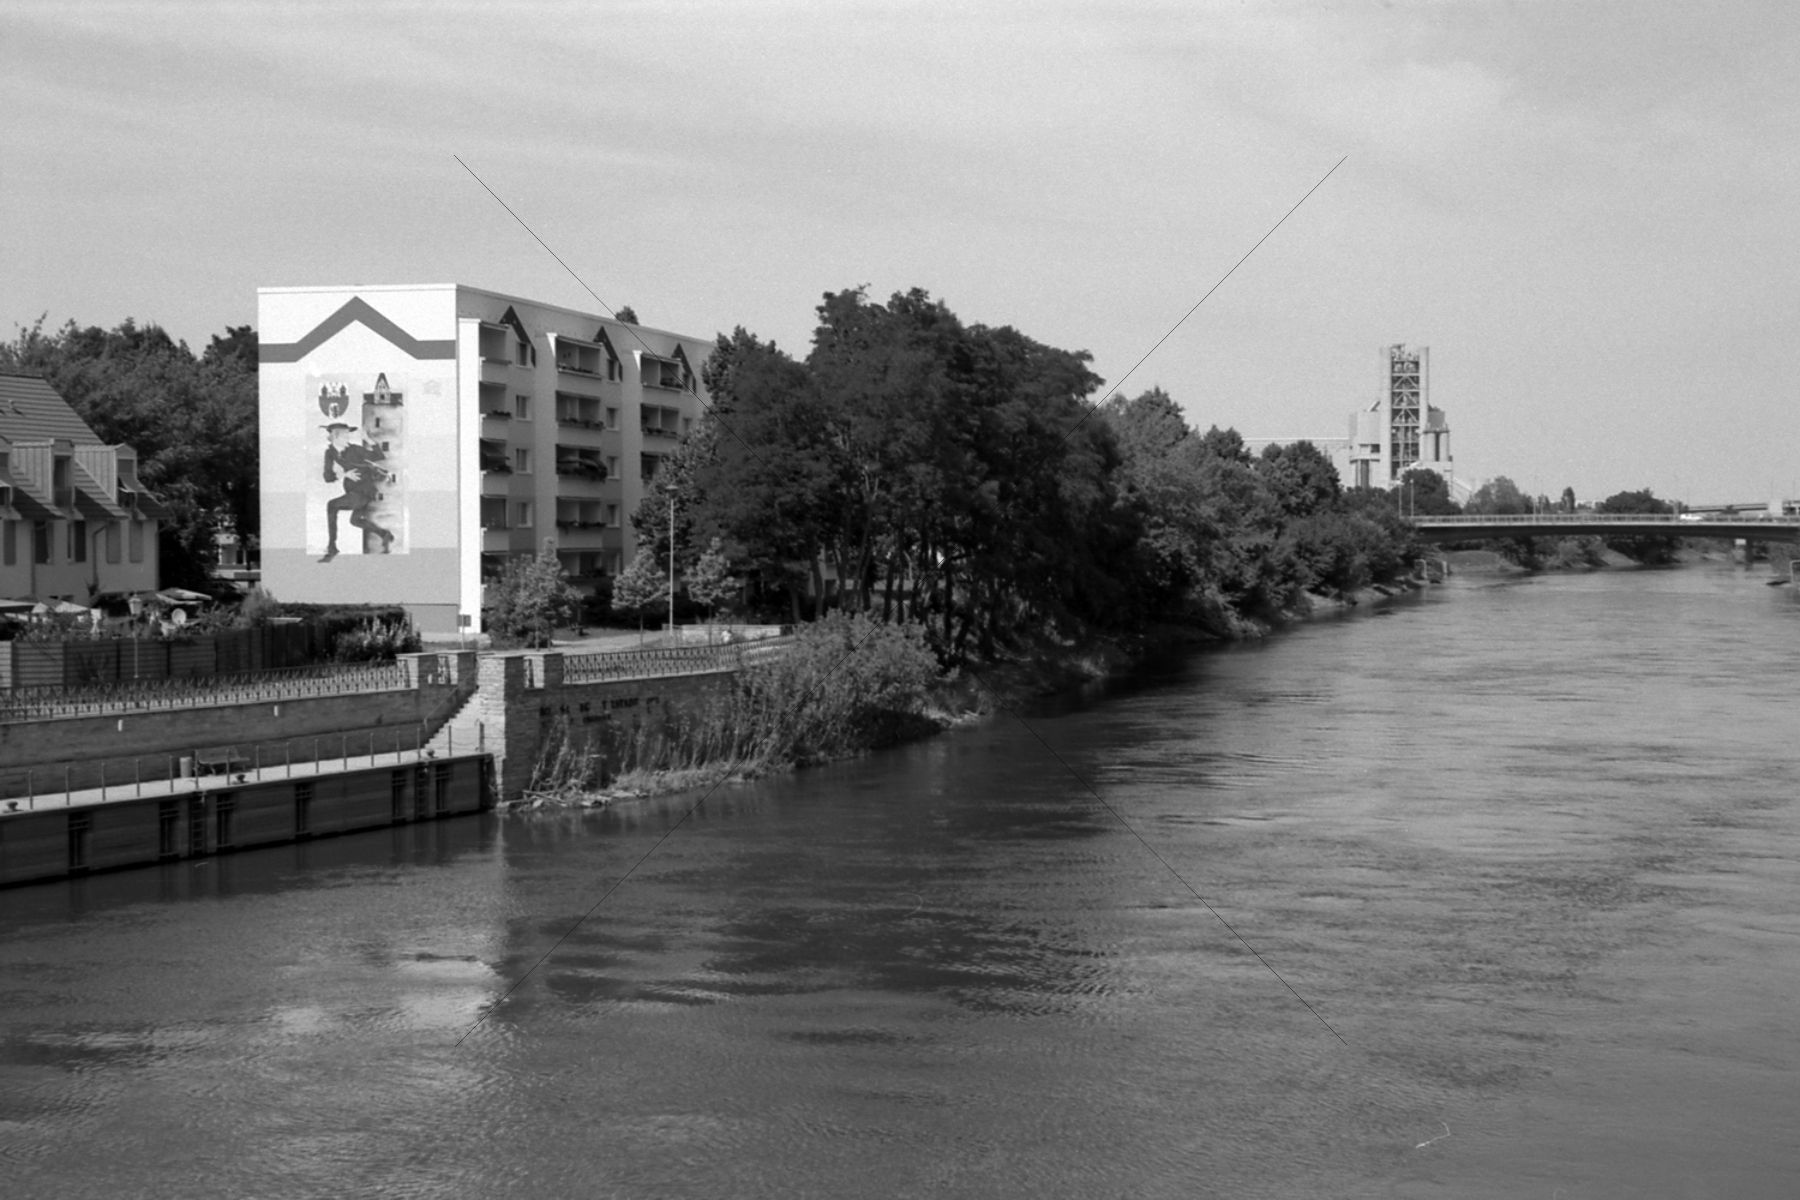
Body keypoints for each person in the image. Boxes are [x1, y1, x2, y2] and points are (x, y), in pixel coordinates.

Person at [319, 423, 394, 562]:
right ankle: (385, 534)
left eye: (348, 433)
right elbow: (327, 477)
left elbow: (378, 455)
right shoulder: (330, 453)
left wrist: (368, 439)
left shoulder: (354, 449)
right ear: (335, 436)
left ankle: (332, 547)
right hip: (352, 490)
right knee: (355, 521)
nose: (348, 436)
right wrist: (344, 475)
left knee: (331, 505)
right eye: (345, 434)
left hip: (364, 491)